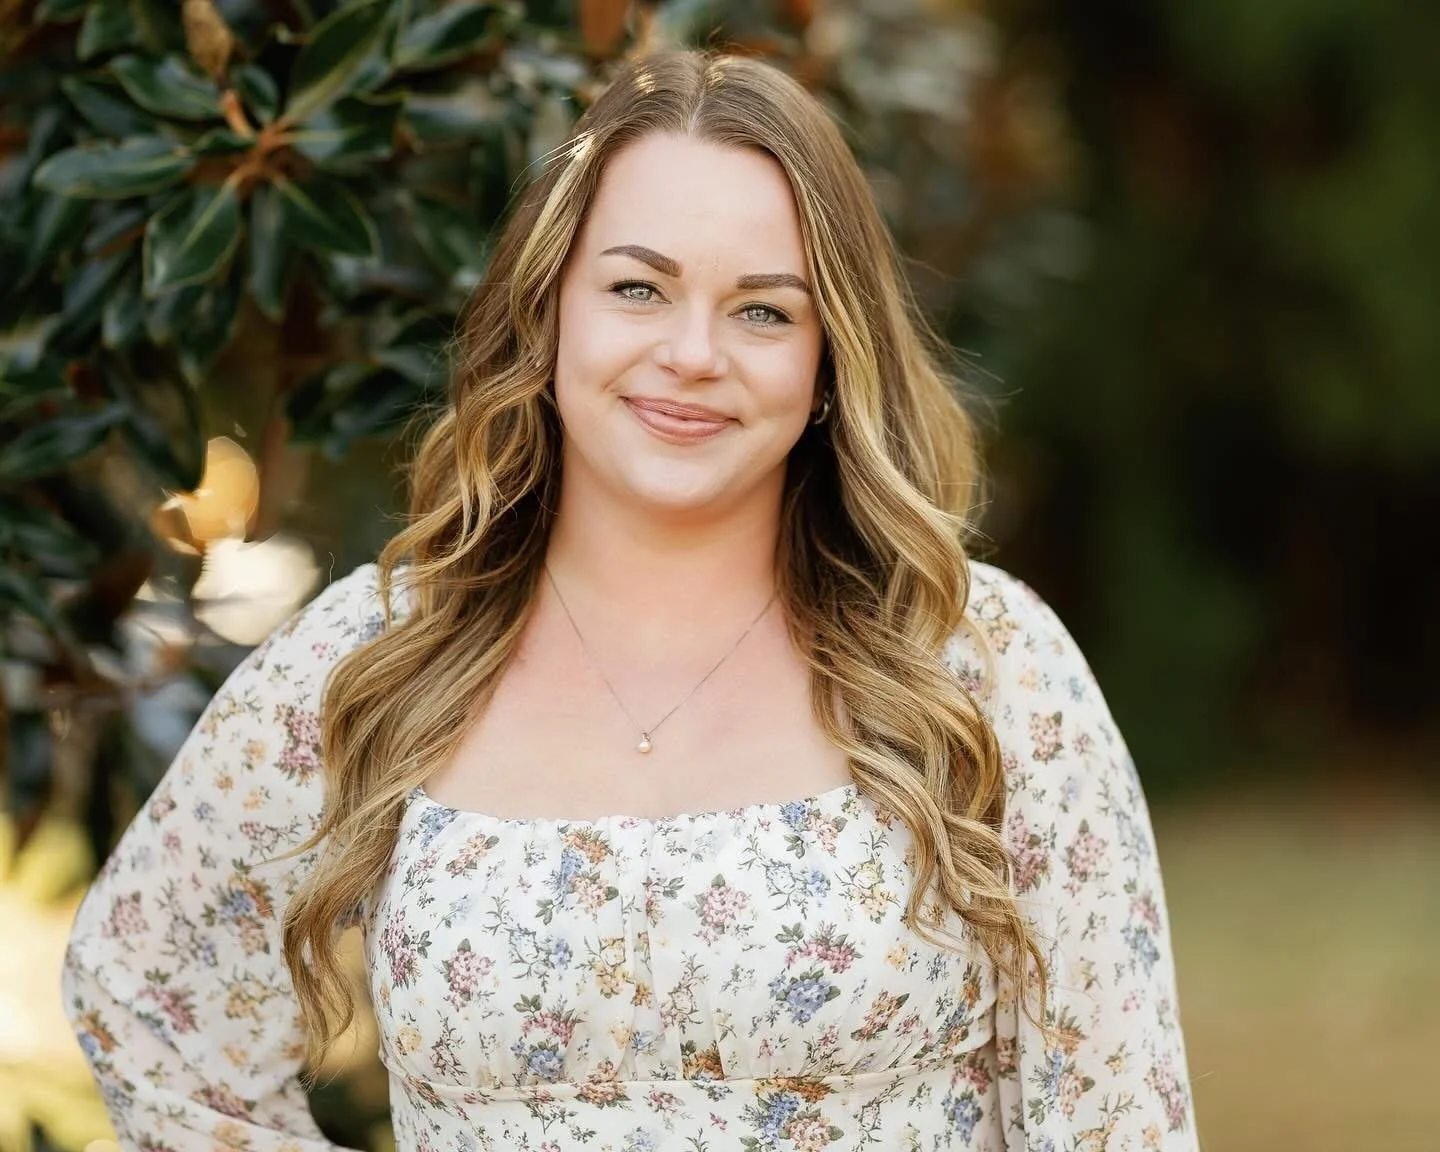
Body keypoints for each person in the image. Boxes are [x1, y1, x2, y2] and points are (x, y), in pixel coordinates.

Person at [62, 50, 1197, 1151]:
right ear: (550, 311)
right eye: (639, 288)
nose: (692, 353)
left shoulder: (982, 667)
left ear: (828, 363)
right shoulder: (386, 649)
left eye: (763, 311)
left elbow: (1115, 1117)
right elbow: (148, 1000)